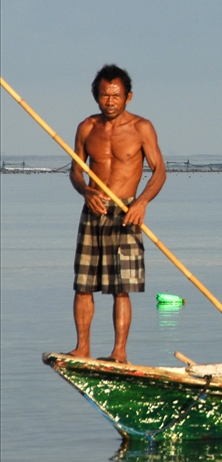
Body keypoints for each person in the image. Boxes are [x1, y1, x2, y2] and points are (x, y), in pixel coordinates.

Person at [68, 64, 166, 363]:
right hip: (93, 209)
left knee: (121, 288)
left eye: (116, 96)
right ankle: (82, 348)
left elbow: (159, 171)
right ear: (96, 96)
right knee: (83, 284)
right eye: (104, 95)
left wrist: (142, 202)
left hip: (125, 211)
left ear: (128, 97)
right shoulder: (87, 127)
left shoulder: (141, 127)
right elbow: (76, 171)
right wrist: (86, 192)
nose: (110, 102)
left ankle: (119, 353)